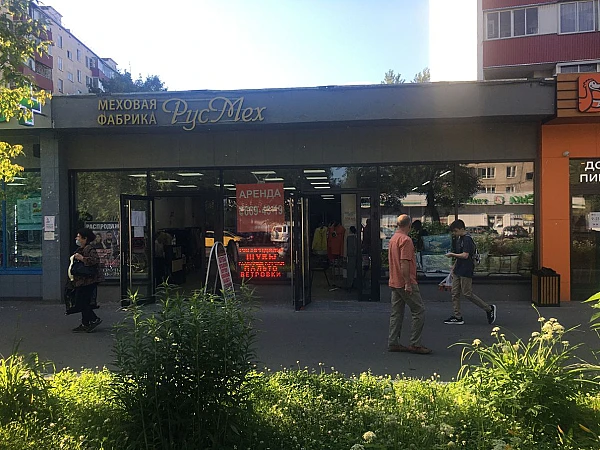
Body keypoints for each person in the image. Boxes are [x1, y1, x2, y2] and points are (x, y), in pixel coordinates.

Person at [387, 214, 431, 354]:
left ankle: (393, 342)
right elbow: (404, 263)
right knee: (419, 310)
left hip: (394, 280)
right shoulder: (406, 240)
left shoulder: (393, 239)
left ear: (398, 225)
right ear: (409, 225)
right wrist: (408, 283)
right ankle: (415, 343)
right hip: (405, 281)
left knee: (396, 313)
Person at [444, 219, 496, 325]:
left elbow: (465, 255)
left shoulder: (467, 239)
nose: (454, 234)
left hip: (466, 269)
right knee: (454, 293)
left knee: (467, 293)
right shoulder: (460, 239)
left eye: (455, 231)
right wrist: (454, 267)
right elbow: (460, 255)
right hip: (458, 269)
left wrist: (452, 255)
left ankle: (488, 308)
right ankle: (457, 316)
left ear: (461, 229)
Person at [68, 228, 104, 332]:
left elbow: (95, 261)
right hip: (82, 280)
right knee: (83, 302)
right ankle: (85, 323)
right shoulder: (81, 249)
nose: (76, 239)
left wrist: (82, 259)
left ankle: (93, 319)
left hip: (88, 280)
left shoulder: (89, 249)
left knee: (82, 302)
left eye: (78, 237)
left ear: (85, 238)